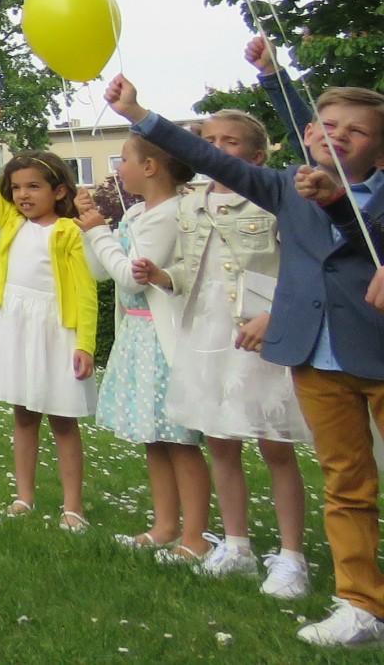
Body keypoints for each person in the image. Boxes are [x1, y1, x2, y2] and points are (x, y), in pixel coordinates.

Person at [105, 70, 384, 649]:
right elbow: (211, 156)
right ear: (309, 134)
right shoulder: (286, 187)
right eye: (328, 127)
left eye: (357, 131)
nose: (340, 138)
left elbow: (362, 238)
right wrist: (139, 114)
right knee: (347, 485)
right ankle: (361, 604)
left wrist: (334, 202)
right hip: (314, 356)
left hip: (375, 351)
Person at [149, 69, 311, 598]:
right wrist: (162, 277)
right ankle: (236, 544)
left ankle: (291, 556)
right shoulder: (191, 200)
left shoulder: (272, 199)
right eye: (208, 140)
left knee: (274, 442)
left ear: (257, 157)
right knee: (220, 438)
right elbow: (190, 268)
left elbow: (298, 265)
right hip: (206, 330)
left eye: (230, 141)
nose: (216, 148)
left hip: (258, 330)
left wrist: (279, 317)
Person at [0, 103, 96, 528]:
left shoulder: (69, 232)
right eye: (17, 187)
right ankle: (24, 497)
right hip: (14, 324)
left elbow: (85, 291)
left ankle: (72, 506)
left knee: (62, 418)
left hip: (56, 329)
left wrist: (85, 343)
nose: (22, 195)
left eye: (34, 187)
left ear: (59, 191)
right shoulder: (10, 222)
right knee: (23, 414)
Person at [80, 132, 209, 558]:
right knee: (153, 436)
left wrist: (100, 231)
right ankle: (165, 525)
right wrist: (93, 231)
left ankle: (194, 536)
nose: (119, 169)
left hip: (163, 336)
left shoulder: (169, 214)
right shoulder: (137, 212)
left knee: (178, 438)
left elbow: (131, 275)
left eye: (124, 160)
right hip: (137, 332)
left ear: (150, 167)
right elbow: (102, 271)